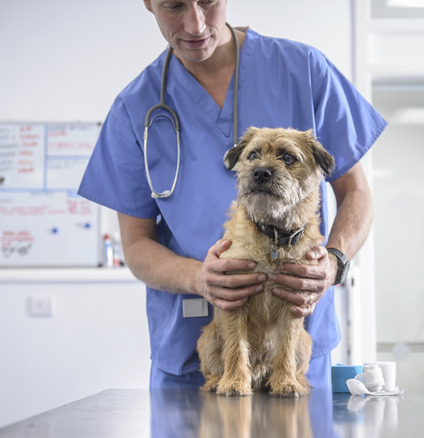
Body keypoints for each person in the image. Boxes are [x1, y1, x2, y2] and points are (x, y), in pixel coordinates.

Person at [78, 0, 386, 389]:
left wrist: (334, 262)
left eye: (208, 2)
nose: (195, 23)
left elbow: (356, 191)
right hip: (194, 352)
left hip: (292, 347)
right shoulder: (133, 108)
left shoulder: (304, 70)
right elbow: (136, 244)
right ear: (148, 3)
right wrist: (200, 278)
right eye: (174, 6)